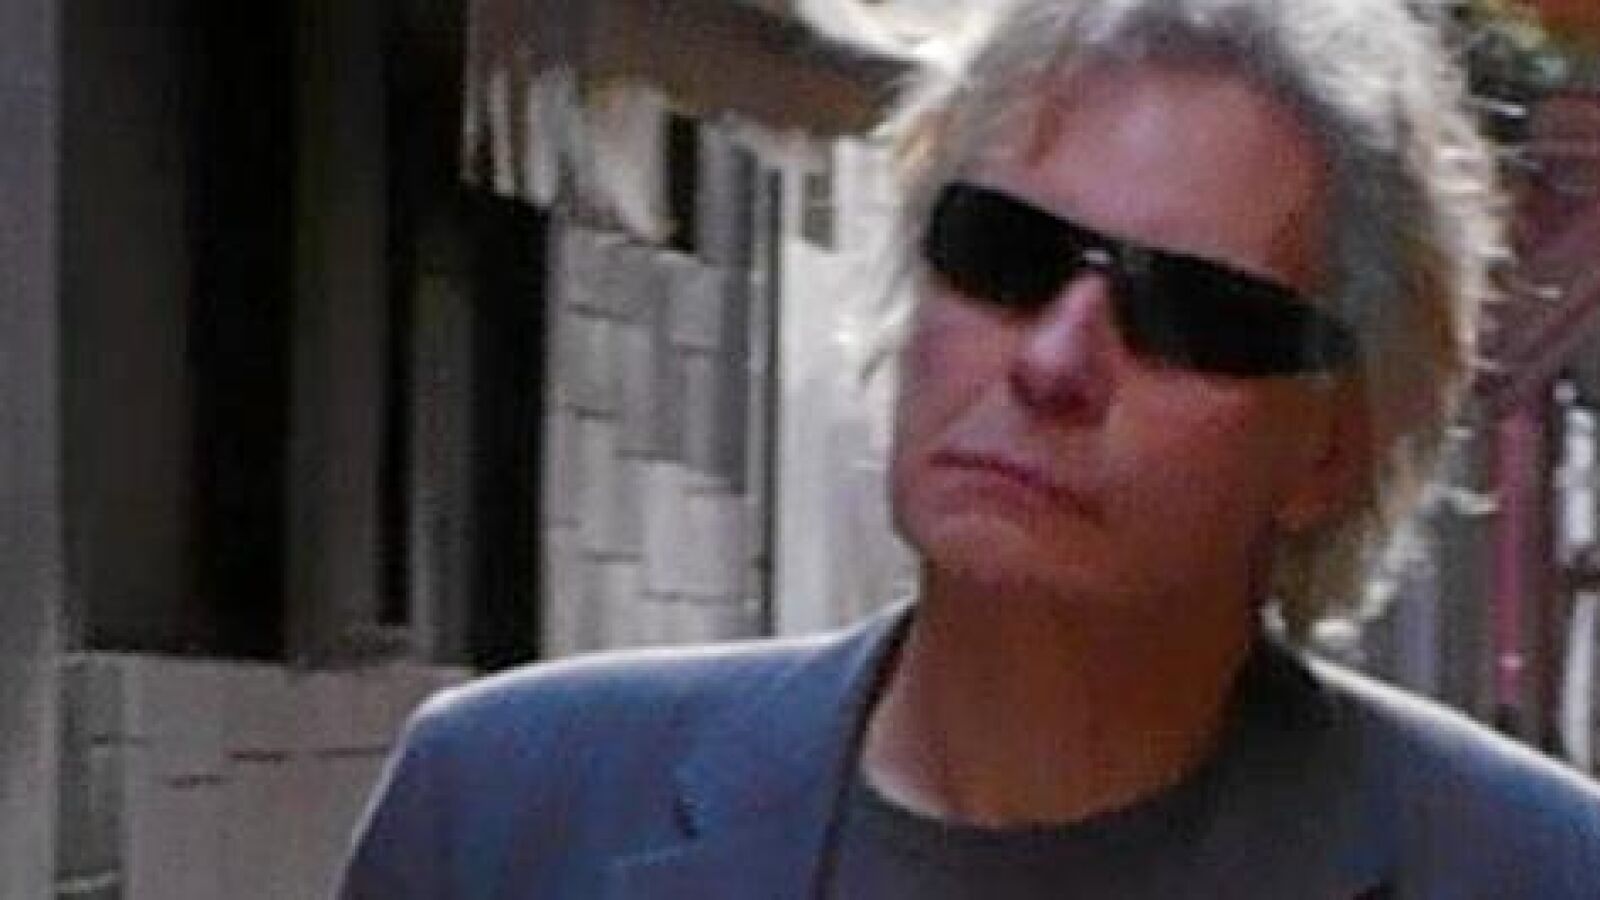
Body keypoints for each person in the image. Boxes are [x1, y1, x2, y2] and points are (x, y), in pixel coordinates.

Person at [339, 0, 1600, 896]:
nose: (1053, 362)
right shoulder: (505, 811)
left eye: (1189, 313)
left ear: (1331, 446)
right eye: (1003, 251)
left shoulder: (1533, 871)